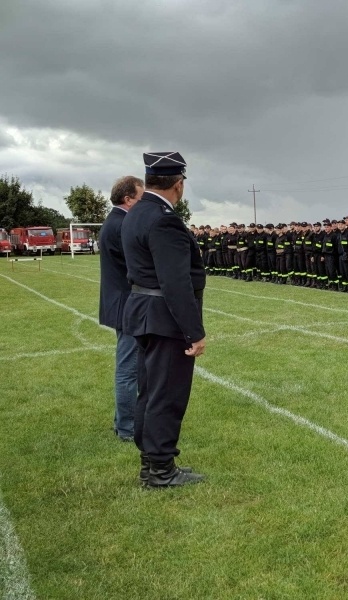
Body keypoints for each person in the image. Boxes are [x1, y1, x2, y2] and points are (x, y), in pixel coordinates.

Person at [121, 151, 206, 487]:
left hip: (143, 312)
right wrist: (194, 332)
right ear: (179, 184)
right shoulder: (163, 218)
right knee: (166, 393)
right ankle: (161, 469)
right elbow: (175, 281)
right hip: (164, 318)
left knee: (150, 390)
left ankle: (151, 462)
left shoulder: (137, 212)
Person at [99, 175, 144, 442]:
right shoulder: (122, 224)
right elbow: (136, 266)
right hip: (126, 304)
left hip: (121, 302)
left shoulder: (114, 221)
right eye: (140, 198)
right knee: (128, 369)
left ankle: (123, 423)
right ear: (128, 199)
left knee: (129, 367)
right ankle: (127, 428)